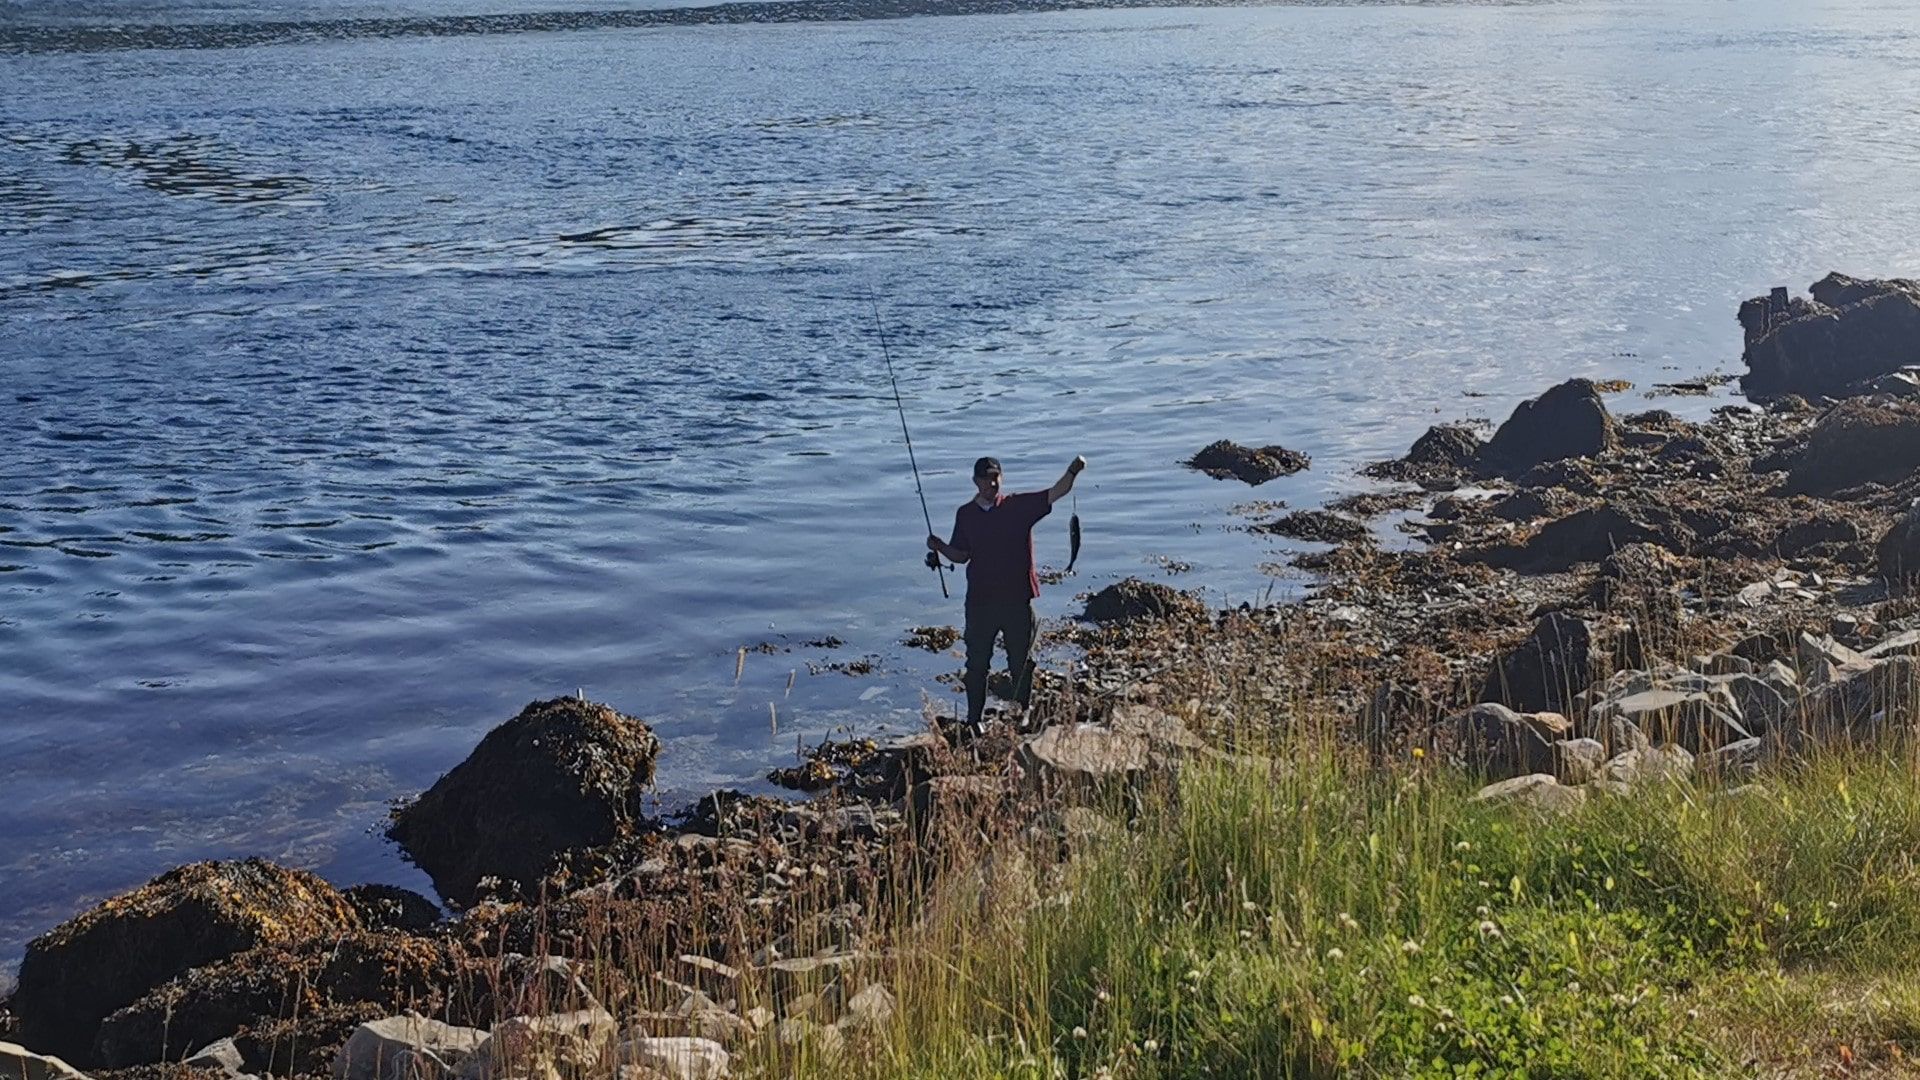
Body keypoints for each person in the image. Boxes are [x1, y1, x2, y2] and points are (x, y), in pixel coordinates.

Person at [926, 453, 1087, 728]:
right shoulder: (965, 514)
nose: (992, 483)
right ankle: (974, 720)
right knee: (977, 664)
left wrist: (1073, 470)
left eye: (995, 477)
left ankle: (1023, 711)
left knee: (1021, 661)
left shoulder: (1017, 506)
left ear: (1001, 477)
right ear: (975, 481)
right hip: (981, 602)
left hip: (1017, 599)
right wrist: (939, 546)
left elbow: (1056, 492)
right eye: (986, 479)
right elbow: (961, 555)